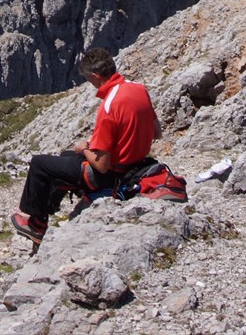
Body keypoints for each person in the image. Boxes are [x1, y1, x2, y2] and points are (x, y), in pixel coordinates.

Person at [12, 46, 160, 245]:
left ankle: (36, 225)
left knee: (40, 164)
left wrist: (84, 149)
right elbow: (157, 132)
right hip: (137, 164)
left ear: (96, 76)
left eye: (88, 79)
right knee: (64, 158)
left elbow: (101, 165)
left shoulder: (109, 106)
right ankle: (45, 216)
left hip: (112, 175)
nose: (89, 83)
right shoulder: (138, 89)